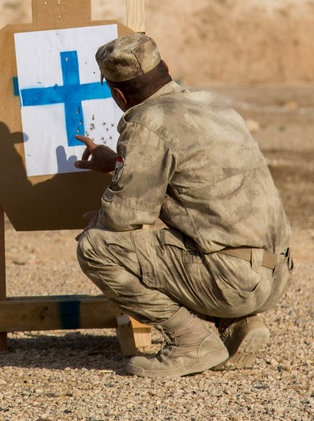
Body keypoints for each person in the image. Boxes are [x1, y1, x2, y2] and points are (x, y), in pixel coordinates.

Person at [74, 33, 293, 378]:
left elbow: (123, 217)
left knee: (98, 247)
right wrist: (118, 160)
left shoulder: (147, 123)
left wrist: (100, 217)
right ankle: (238, 324)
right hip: (275, 274)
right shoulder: (213, 105)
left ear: (117, 95)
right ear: (167, 69)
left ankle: (192, 340)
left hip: (232, 280)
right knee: (197, 228)